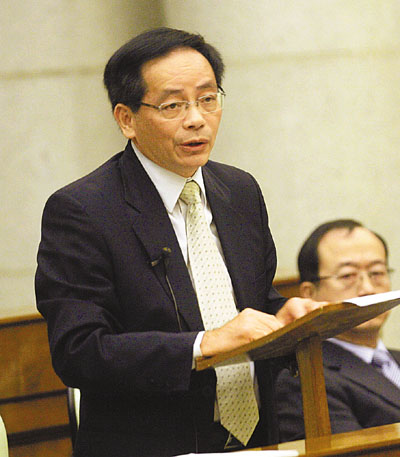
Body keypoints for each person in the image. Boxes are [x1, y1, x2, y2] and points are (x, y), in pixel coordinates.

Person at [35, 27, 319, 457]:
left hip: (261, 443)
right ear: (126, 119)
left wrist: (286, 317)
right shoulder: (83, 211)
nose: (196, 119)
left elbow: (253, 303)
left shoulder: (239, 191)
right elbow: (80, 351)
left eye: (208, 99)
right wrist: (202, 345)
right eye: (173, 105)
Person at [275, 219, 400, 442]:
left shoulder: (394, 360)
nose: (367, 289)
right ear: (309, 293)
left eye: (377, 272)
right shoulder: (308, 379)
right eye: (347, 275)